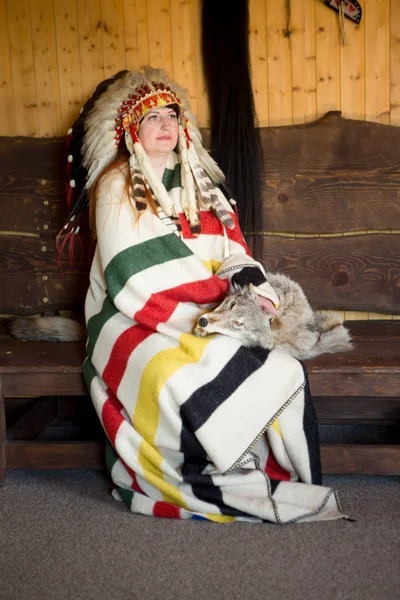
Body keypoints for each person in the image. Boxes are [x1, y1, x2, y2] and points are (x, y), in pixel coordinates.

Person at [63, 67, 346, 523]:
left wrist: (258, 295)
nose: (165, 126)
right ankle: (207, 467)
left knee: (283, 367)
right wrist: (212, 312)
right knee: (173, 374)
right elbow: (133, 274)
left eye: (171, 116)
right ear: (133, 129)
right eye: (152, 118)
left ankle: (255, 461)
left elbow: (232, 249)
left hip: (206, 309)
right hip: (134, 314)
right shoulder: (117, 185)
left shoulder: (199, 182)